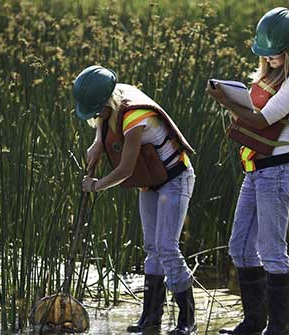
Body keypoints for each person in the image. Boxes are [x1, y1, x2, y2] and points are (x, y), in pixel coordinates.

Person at [206, 7, 289, 335]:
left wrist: (225, 102)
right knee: (240, 247)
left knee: (272, 252)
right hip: (255, 173)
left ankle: (279, 328)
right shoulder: (273, 75)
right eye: (265, 55)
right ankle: (253, 323)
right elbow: (256, 109)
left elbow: (263, 120)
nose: (269, 60)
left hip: (278, 173)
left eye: (274, 55)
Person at [72, 65, 197, 335]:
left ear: (106, 103)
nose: (95, 117)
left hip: (176, 178)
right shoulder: (111, 98)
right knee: (151, 247)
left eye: (96, 112)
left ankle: (187, 320)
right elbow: (104, 122)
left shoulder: (134, 117)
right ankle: (150, 319)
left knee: (166, 247)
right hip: (151, 180)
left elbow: (126, 169)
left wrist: (96, 186)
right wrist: (97, 142)